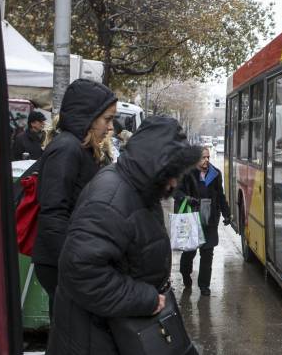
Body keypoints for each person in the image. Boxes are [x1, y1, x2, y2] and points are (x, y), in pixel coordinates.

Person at [48, 116, 202, 354]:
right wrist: (145, 299)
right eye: (170, 173)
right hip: (96, 339)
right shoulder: (110, 199)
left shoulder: (140, 189)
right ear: (153, 164)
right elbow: (81, 271)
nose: (174, 182)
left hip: (116, 332)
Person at [32, 79, 117, 318]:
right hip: (62, 262)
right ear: (88, 117)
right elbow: (53, 213)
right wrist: (77, 265)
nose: (111, 128)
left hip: (73, 258)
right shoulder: (67, 148)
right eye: (107, 119)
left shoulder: (82, 148)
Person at [175, 147, 230, 296]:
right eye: (203, 157)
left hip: (209, 219)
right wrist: (188, 199)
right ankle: (185, 274)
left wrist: (227, 213)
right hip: (191, 219)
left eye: (208, 157)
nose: (206, 160)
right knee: (189, 253)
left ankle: (204, 285)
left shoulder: (215, 174)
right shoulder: (187, 173)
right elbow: (176, 192)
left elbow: (220, 195)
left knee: (207, 254)